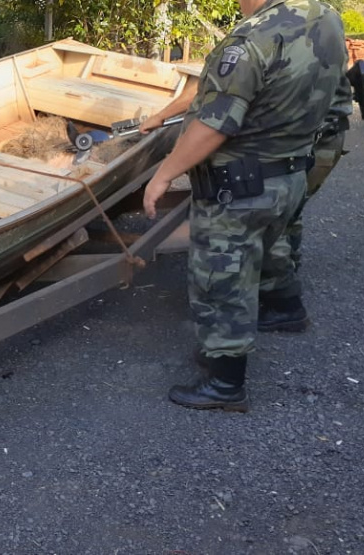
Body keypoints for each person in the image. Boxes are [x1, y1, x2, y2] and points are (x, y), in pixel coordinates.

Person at [141, 0, 348, 411]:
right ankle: (287, 309)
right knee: (272, 244)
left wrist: (165, 173)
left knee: (221, 280)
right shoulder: (326, 17)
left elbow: (215, 123)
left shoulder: (250, 39)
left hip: (240, 187)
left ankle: (224, 382)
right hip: (288, 174)